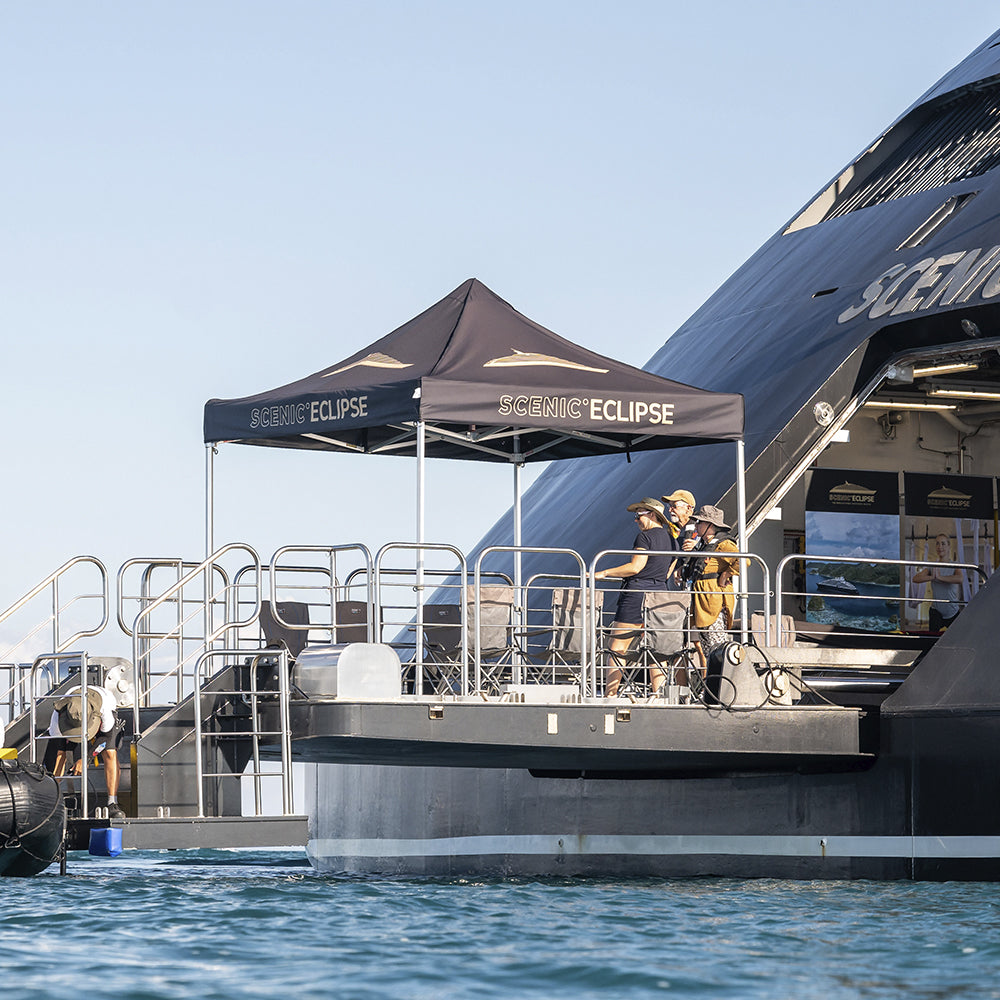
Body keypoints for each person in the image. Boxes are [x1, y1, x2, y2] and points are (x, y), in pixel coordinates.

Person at [594, 497, 677, 696]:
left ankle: (611, 695)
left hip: (637, 595)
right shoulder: (672, 540)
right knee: (657, 650)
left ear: (652, 515)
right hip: (660, 596)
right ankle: (659, 695)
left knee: (617, 647)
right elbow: (667, 572)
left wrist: (603, 573)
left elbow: (635, 567)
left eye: (639, 515)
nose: (636, 520)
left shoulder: (645, 537)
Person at [49, 685, 126, 819]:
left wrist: (86, 759)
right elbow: (61, 755)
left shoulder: (105, 710)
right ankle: (52, 800)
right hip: (71, 719)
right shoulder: (56, 719)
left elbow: (106, 738)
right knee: (60, 757)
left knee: (110, 753)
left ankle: (112, 802)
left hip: (99, 708)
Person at [686, 504, 740, 675]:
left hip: (714, 600)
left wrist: (725, 574)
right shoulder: (704, 544)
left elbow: (743, 562)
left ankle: (723, 683)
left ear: (710, 525)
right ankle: (712, 685)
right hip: (703, 601)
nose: (696, 526)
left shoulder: (723, 544)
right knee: (708, 647)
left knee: (718, 645)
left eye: (700, 523)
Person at [913, 533, 966, 632]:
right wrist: (931, 577)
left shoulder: (955, 565)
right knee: (932, 641)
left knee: (957, 639)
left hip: (952, 612)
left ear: (949, 546)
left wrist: (940, 577)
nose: (940, 547)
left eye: (943, 543)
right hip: (936, 611)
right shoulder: (933, 566)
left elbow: (960, 579)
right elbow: (915, 578)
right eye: (937, 544)